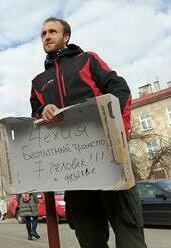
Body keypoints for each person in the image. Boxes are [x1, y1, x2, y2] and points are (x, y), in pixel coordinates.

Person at [30, 17, 147, 248]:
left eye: (52, 31)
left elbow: (119, 89)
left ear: (66, 37)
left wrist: (119, 132)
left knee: (128, 228)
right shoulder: (38, 82)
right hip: (74, 169)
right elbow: (35, 114)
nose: (47, 36)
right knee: (88, 235)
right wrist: (44, 110)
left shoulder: (87, 59)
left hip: (111, 156)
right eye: (43, 33)